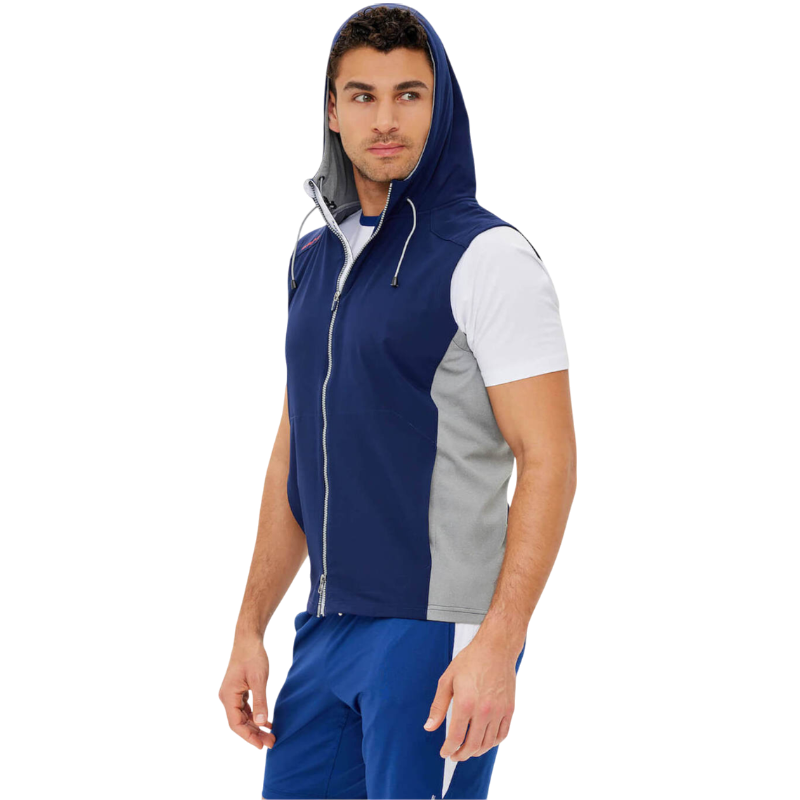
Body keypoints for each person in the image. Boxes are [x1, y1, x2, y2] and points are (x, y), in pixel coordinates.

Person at [219, 5, 576, 799]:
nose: (385, 119)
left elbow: (548, 458)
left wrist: (499, 641)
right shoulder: (316, 254)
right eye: (364, 95)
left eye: (409, 94)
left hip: (437, 633)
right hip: (324, 629)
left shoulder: (489, 257)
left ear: (440, 106)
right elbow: (296, 453)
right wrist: (250, 627)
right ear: (333, 111)